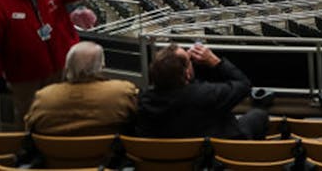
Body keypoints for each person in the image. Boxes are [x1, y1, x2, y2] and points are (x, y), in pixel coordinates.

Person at [135, 42, 267, 140]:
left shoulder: (143, 101)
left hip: (169, 161)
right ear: (187, 73)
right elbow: (243, 84)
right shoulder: (205, 95)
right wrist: (214, 61)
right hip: (210, 156)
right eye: (189, 60)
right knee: (258, 115)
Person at [24, 41, 137, 135]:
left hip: (57, 160)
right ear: (102, 66)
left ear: (67, 67)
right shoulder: (122, 92)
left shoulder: (44, 98)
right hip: (107, 159)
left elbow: (30, 129)